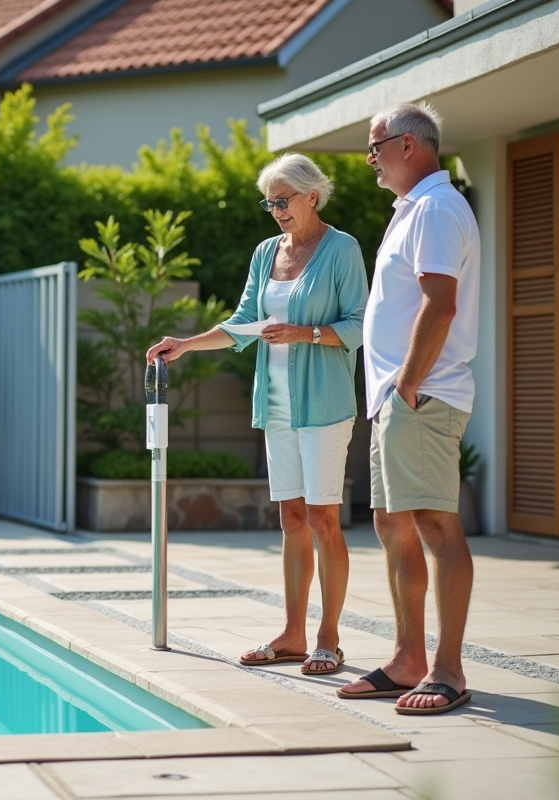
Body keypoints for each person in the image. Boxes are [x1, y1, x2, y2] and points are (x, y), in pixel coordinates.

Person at [146, 153, 368, 676]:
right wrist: (187, 343)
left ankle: (329, 639)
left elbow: (361, 324)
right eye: (269, 202)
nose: (275, 210)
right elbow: (244, 321)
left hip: (324, 405)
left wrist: (304, 333)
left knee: (323, 519)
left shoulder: (343, 249)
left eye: (283, 200)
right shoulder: (267, 252)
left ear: (312, 195)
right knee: (291, 519)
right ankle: (292, 635)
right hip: (277, 404)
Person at [336, 102, 481, 715]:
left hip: (420, 393)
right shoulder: (413, 211)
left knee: (435, 526)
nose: (369, 156)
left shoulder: (439, 209)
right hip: (399, 395)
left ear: (409, 145)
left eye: (376, 145)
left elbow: (440, 305)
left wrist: (407, 384)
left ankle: (447, 670)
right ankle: (407, 658)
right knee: (393, 524)